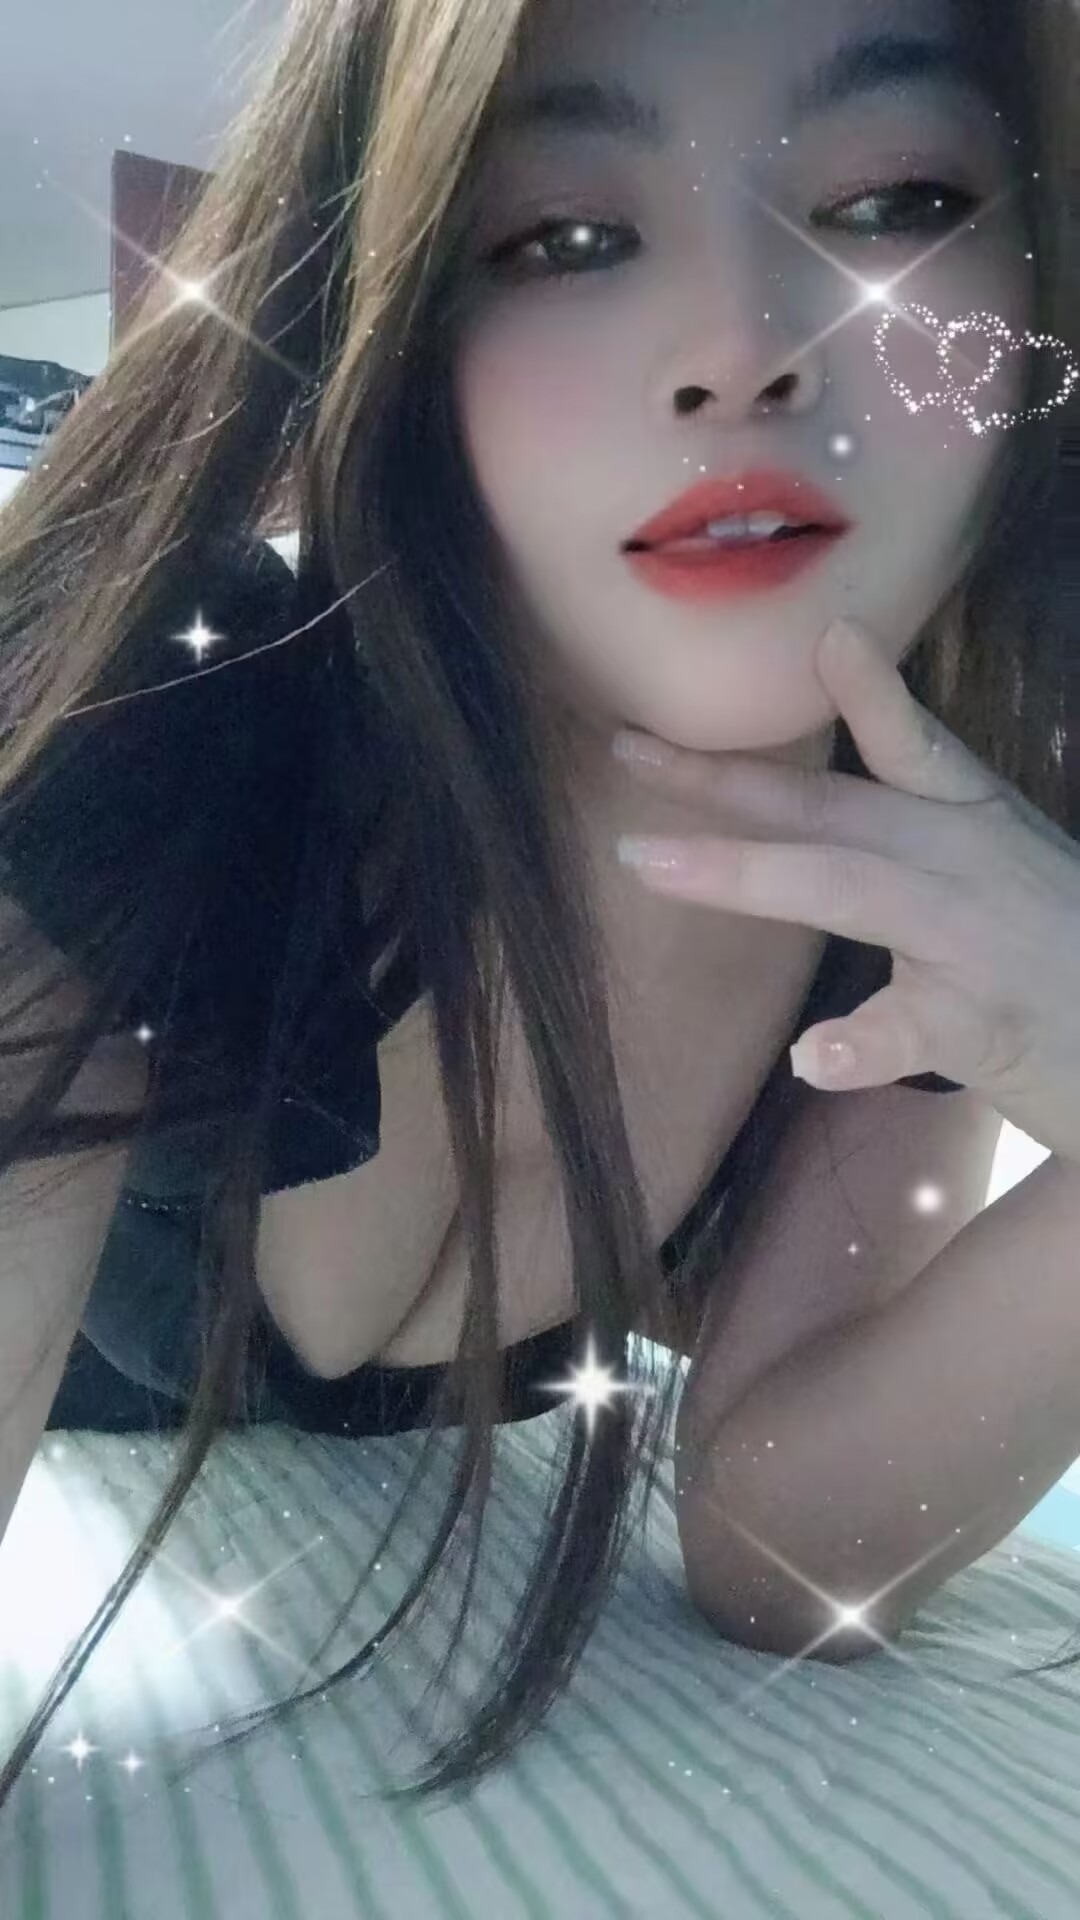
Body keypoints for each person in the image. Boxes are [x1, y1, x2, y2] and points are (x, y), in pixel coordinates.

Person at [0, 0, 1072, 1811]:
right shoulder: (174, 713)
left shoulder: (925, 885)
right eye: (564, 236)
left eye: (896, 201)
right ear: (409, 313)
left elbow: (787, 1555)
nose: (742, 349)